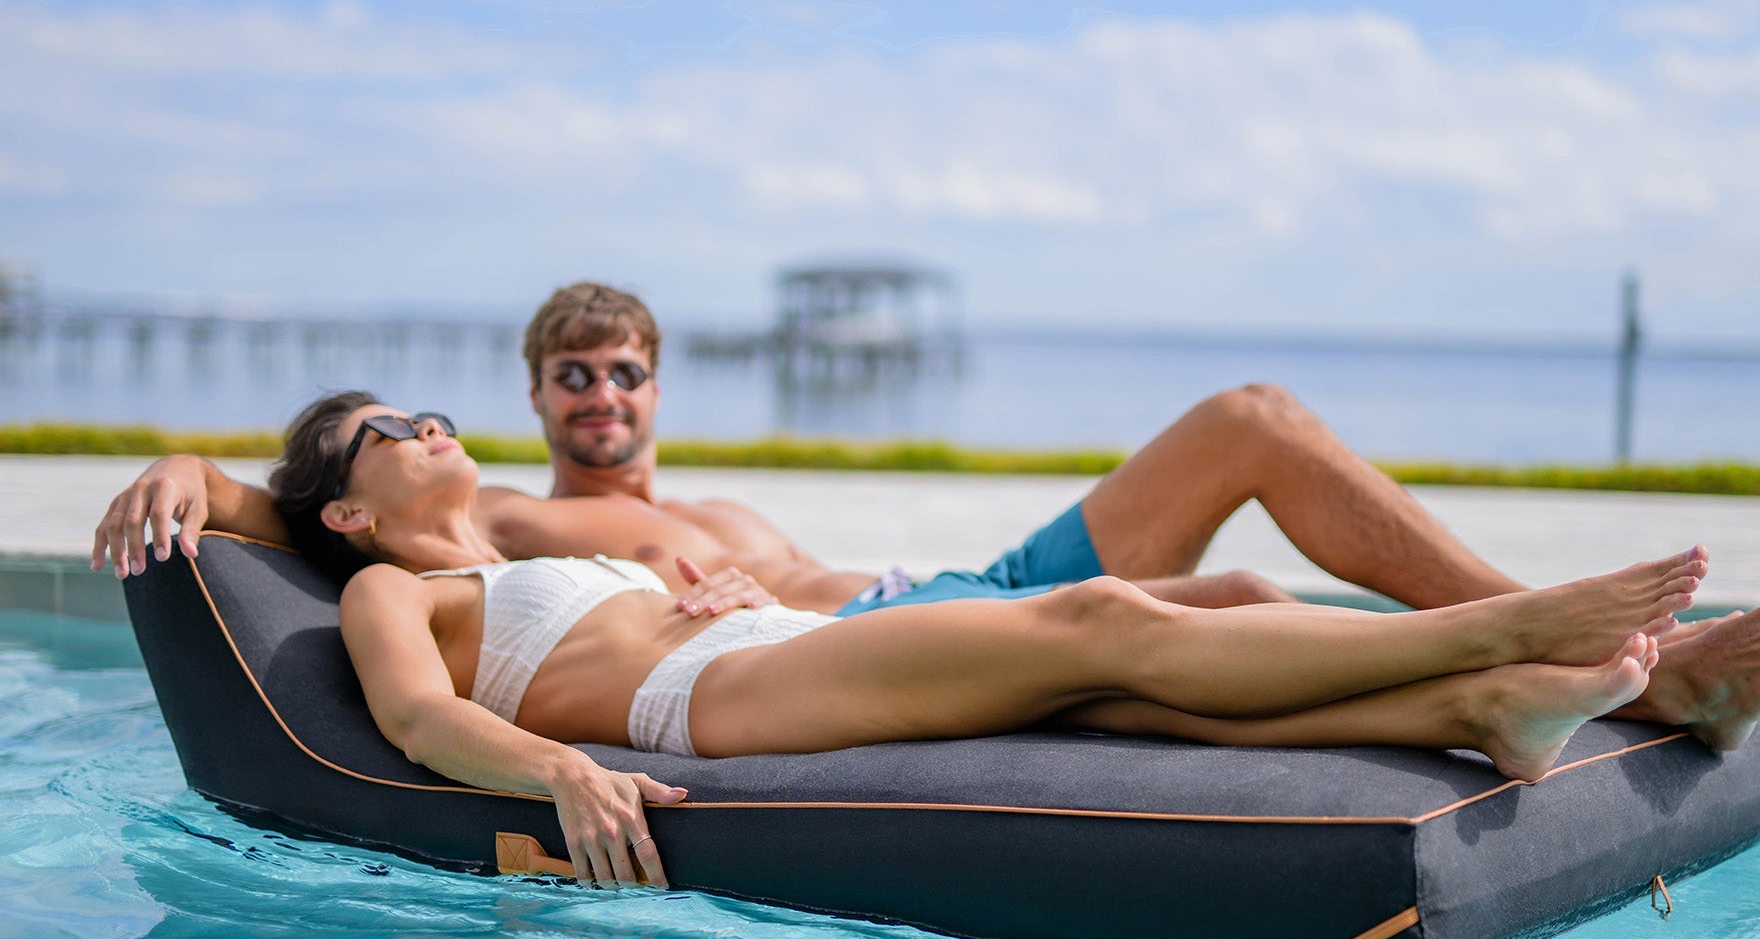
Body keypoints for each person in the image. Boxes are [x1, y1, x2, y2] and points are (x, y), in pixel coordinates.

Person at [181, 393, 1760, 888]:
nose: (433, 421)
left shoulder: (547, 543)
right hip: (702, 702)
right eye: (395, 422)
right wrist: (556, 771)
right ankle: (1511, 627)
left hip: (750, 647)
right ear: (344, 507)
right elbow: (407, 722)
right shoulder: (405, 588)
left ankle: (1482, 697)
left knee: (1128, 675)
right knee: (1106, 622)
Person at [93, 281, 1528, 619]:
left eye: (625, 374)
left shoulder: (711, 501)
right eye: (573, 376)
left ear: (657, 390)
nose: (603, 395)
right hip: (926, 633)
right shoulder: (516, 517)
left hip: (972, 581)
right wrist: (191, 475)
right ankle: (1534, 642)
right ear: (534, 401)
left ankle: (1512, 616)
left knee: (1251, 422)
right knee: (1248, 600)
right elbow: (316, 510)